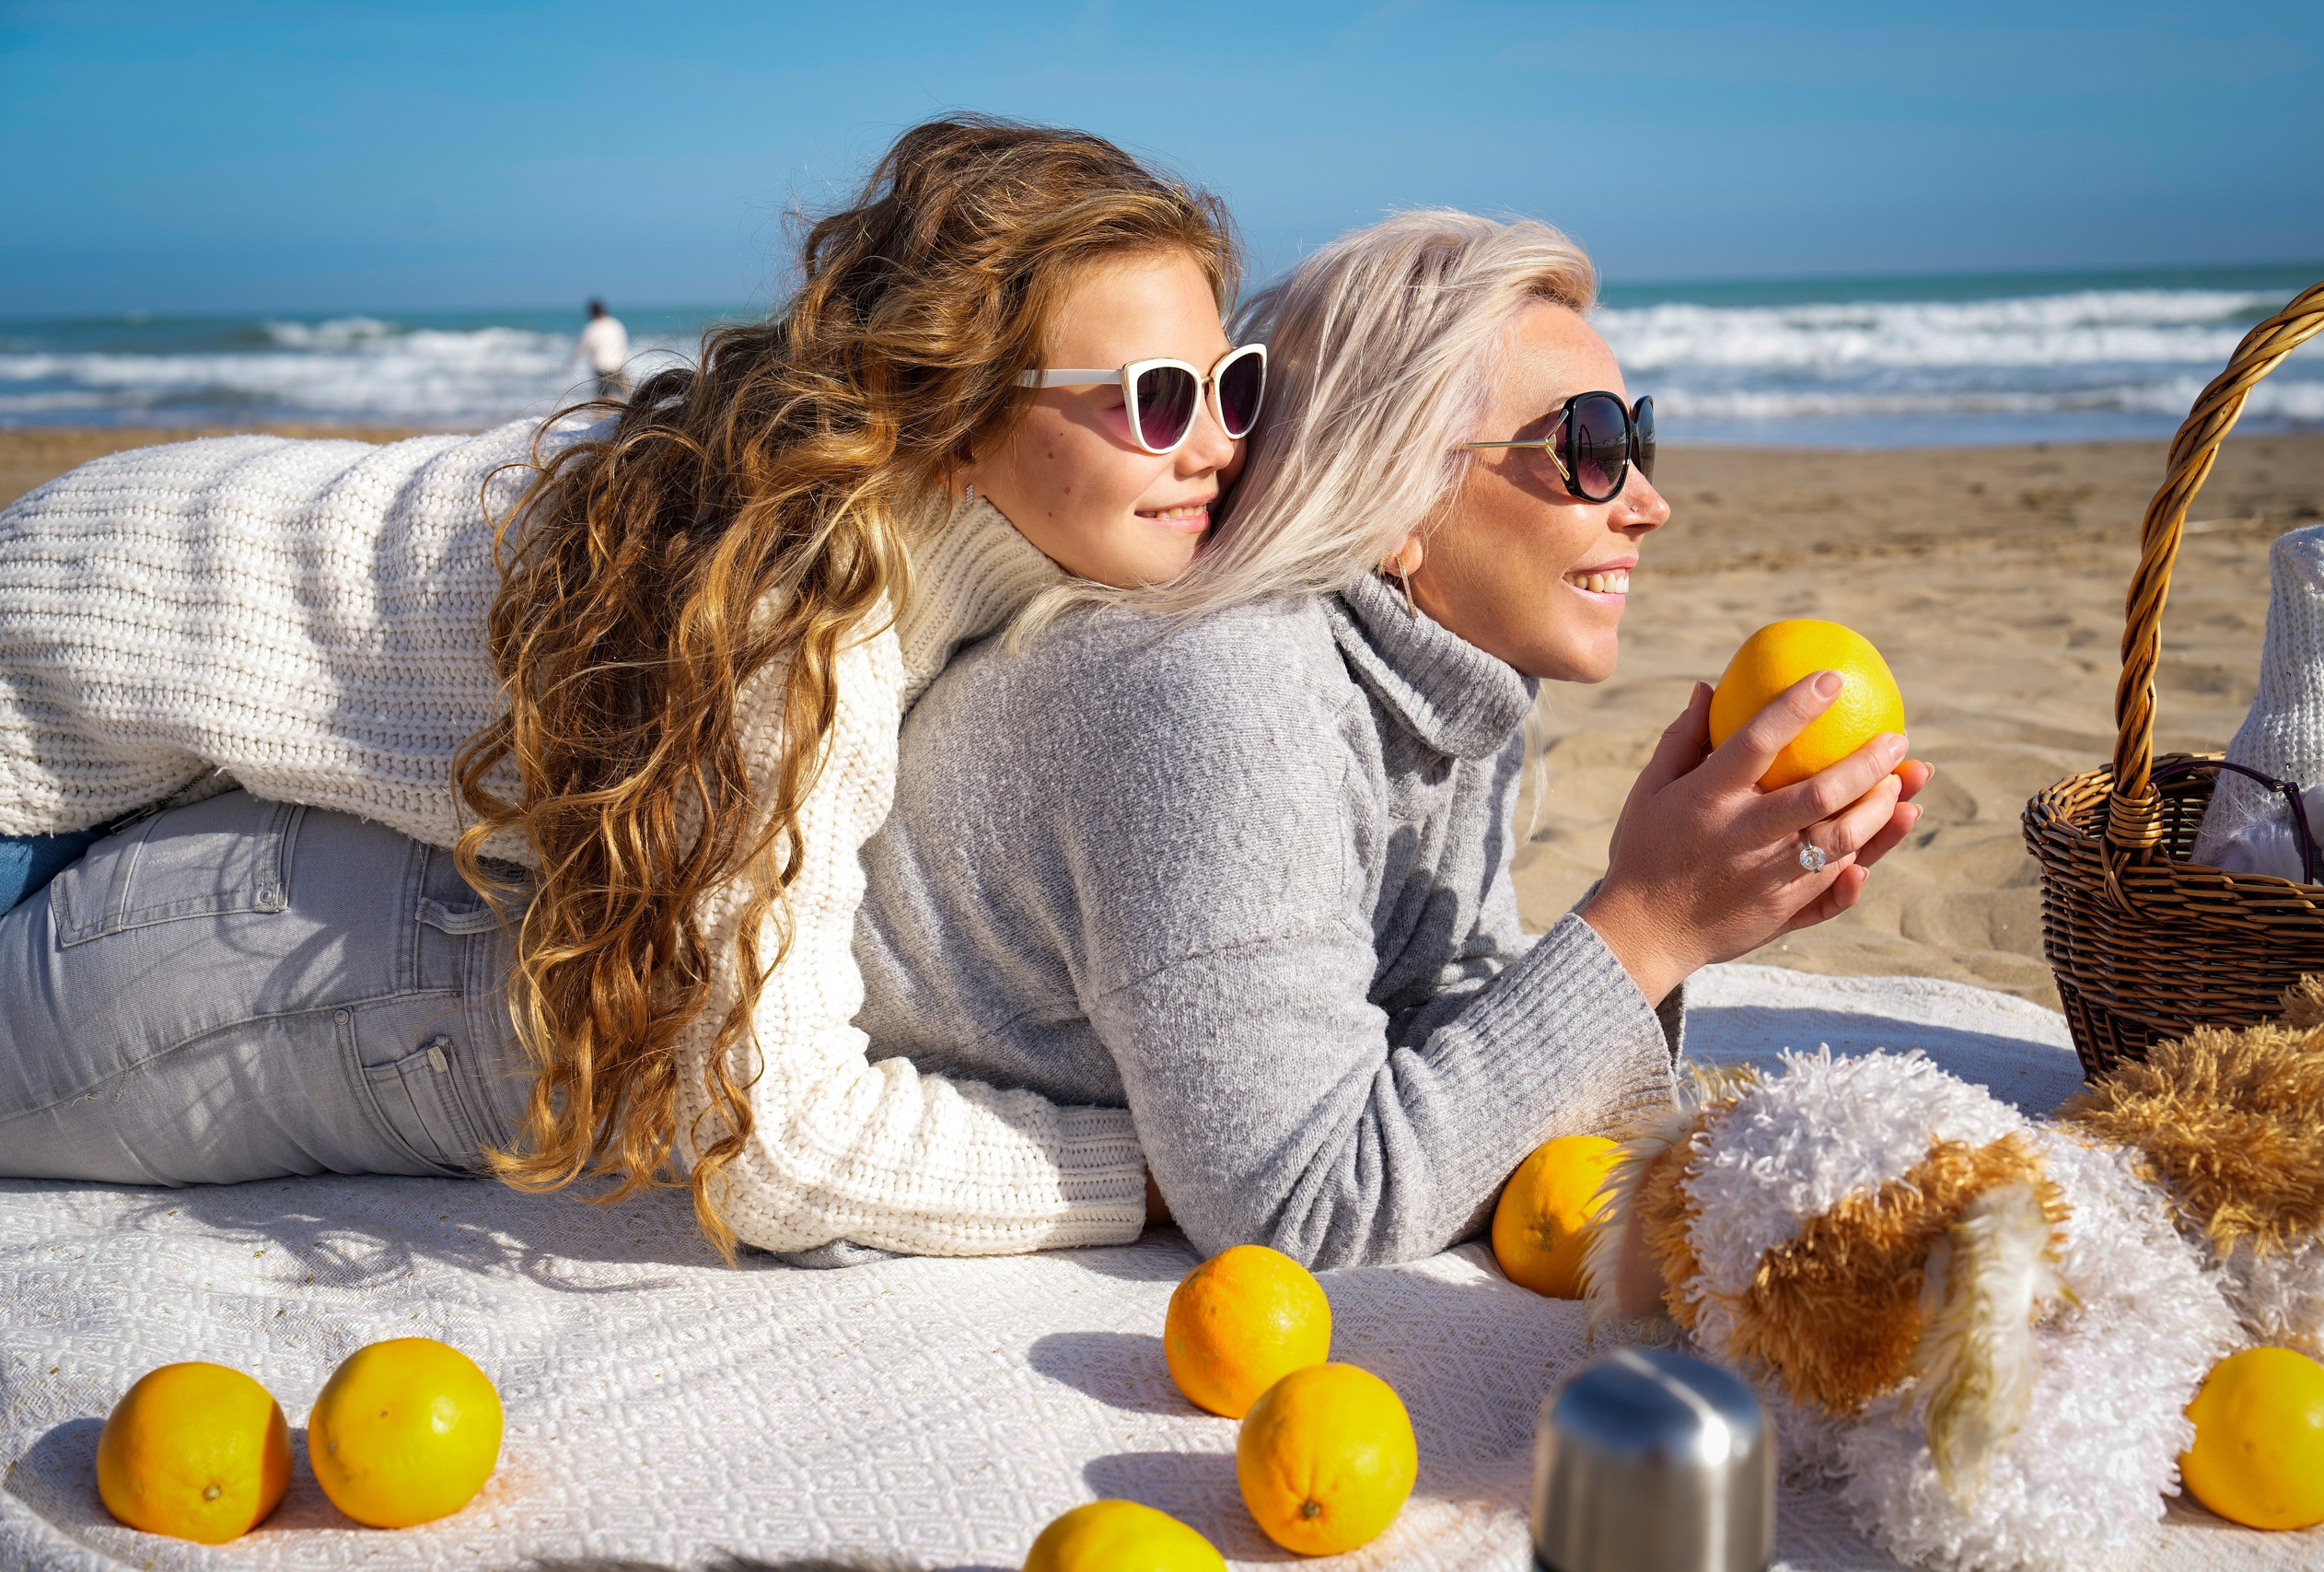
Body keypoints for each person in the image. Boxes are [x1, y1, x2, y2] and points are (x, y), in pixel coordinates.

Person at [0, 117, 1254, 1262]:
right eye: (1154, 399)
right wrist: (1148, 1176)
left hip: (156, 682)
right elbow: (773, 1140)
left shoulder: (931, 533)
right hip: (49, 684)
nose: (1214, 445)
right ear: (959, 422)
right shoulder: (799, 606)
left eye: (1232, 383)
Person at [854, 211, 1930, 1269]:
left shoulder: (1450, 669)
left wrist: (1701, 894)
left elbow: (1432, 1009)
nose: (1648, 501)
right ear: (1395, 501)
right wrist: (1650, 924)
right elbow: (1301, 1208)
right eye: (1586, 445)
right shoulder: (1223, 692)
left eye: (1632, 436)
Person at [575, 298, 631, 401]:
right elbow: (623, 344)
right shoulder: (615, 324)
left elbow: (581, 349)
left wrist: (571, 364)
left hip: (601, 367)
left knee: (603, 398)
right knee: (619, 396)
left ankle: (602, 416)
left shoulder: (591, 327)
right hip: (618, 365)